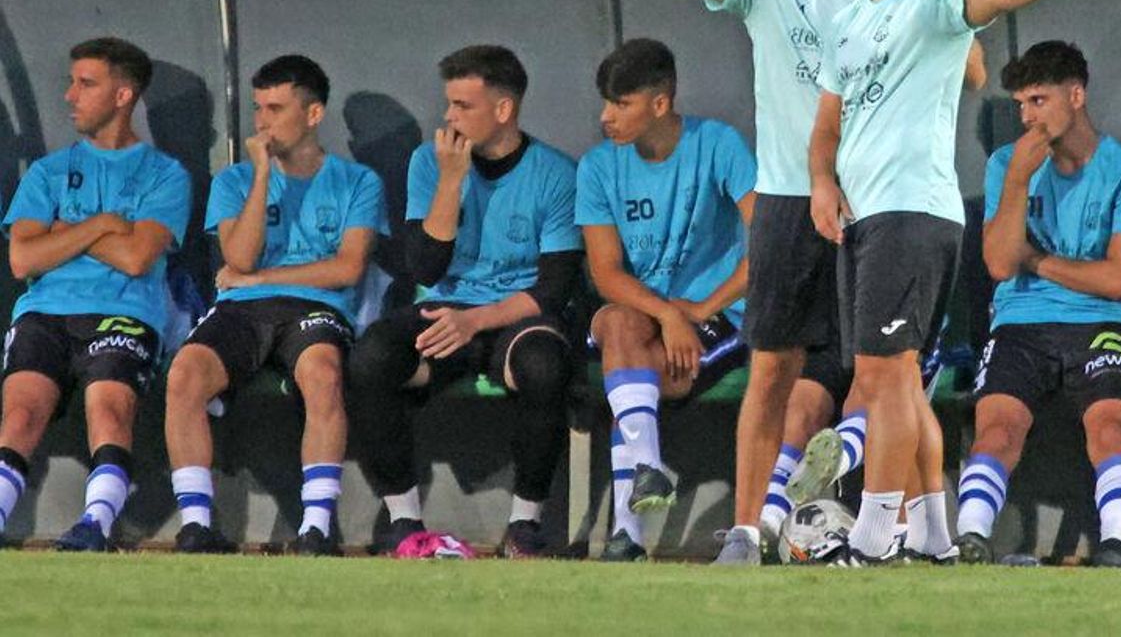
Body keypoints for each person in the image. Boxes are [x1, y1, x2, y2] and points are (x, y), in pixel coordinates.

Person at [544, 0, 986, 564]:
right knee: (772, 368)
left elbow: (970, 66)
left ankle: (919, 535)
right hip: (788, 198)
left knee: (890, 376)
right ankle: (749, 530)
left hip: (879, 204)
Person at [807, 0, 1105, 564]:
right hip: (864, 217)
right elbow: (825, 128)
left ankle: (875, 538)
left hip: (914, 213)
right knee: (898, 379)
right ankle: (936, 538)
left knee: (880, 377)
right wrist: (822, 181)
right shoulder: (848, 20)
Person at [348, 45, 582, 558]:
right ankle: (404, 520)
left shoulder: (557, 173)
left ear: (504, 110)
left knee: (544, 364)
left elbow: (554, 289)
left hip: (513, 314)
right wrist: (452, 179)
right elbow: (425, 268)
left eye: (463, 106)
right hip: (448, 306)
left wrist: (476, 321)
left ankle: (525, 527)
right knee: (371, 359)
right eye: (448, 104)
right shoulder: (429, 163)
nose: (449, 118)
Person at [164, 55, 384, 555]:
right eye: (259, 108)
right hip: (243, 309)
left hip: (316, 307)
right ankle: (197, 525)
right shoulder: (236, 180)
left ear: (313, 115)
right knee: (186, 373)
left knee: (323, 372)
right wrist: (263, 176)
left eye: (276, 109)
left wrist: (260, 275)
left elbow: (347, 268)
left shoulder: (358, 182)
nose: (262, 121)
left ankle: (316, 527)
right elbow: (236, 256)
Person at [954, 40, 1121, 568]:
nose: (1028, 117)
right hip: (1020, 321)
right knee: (998, 429)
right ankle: (971, 540)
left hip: (1101, 322)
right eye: (1022, 104)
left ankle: (1115, 547)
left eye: (1039, 101)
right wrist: (1020, 179)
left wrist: (1039, 261)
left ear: (1076, 95)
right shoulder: (1008, 164)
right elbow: (1000, 264)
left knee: (1110, 427)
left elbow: (1118, 280)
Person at [1, 37, 191, 551]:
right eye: (72, 82)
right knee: (20, 414)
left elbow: (137, 258)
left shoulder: (165, 174)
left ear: (124, 94)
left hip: (124, 310)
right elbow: (23, 259)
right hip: (46, 310)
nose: (69, 96)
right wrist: (104, 225)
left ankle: (96, 524)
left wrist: (66, 229)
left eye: (86, 84)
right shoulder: (48, 172)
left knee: (108, 409)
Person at [579, 39, 758, 562]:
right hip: (647, 316)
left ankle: (627, 533)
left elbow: (766, 244)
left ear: (660, 103)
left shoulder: (718, 145)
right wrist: (667, 313)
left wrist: (696, 312)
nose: (606, 117)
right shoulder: (597, 167)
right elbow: (606, 272)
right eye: (606, 103)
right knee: (615, 325)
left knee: (628, 381)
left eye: (621, 104)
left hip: (718, 316)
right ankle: (647, 466)